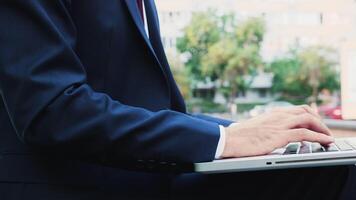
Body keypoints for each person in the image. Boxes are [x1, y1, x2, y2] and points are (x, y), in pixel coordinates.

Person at [0, 0, 353, 199]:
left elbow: (160, 113)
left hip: (145, 180)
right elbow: (52, 109)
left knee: (335, 169)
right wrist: (228, 139)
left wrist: (248, 132)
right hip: (72, 188)